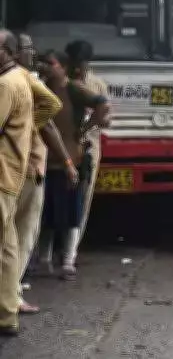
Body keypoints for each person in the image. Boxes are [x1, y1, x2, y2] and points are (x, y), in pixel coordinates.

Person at [0, 30, 61, 337]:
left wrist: (21, 130)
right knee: (9, 245)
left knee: (11, 243)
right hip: (15, 172)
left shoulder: (6, 84)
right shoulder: (23, 78)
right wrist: (24, 129)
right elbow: (51, 105)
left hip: (6, 172)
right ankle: (7, 312)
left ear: (7, 52)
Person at [13, 35, 76, 315]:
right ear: (16, 52)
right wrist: (66, 162)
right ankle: (10, 297)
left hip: (12, 167)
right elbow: (50, 118)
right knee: (22, 237)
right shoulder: (25, 80)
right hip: (27, 168)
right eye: (30, 51)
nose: (34, 57)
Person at [37, 50, 110, 280]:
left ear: (63, 67)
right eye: (42, 63)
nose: (45, 67)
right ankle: (43, 260)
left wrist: (85, 129)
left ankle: (68, 260)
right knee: (45, 215)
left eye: (50, 63)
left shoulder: (73, 89)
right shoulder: (40, 87)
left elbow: (103, 105)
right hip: (44, 162)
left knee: (71, 213)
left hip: (70, 162)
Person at [64, 40, 109, 242]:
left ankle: (71, 251)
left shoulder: (98, 85)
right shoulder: (60, 82)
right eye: (72, 62)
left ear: (88, 63)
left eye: (79, 63)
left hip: (89, 147)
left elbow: (106, 119)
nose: (75, 68)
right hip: (63, 147)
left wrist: (87, 126)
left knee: (84, 198)